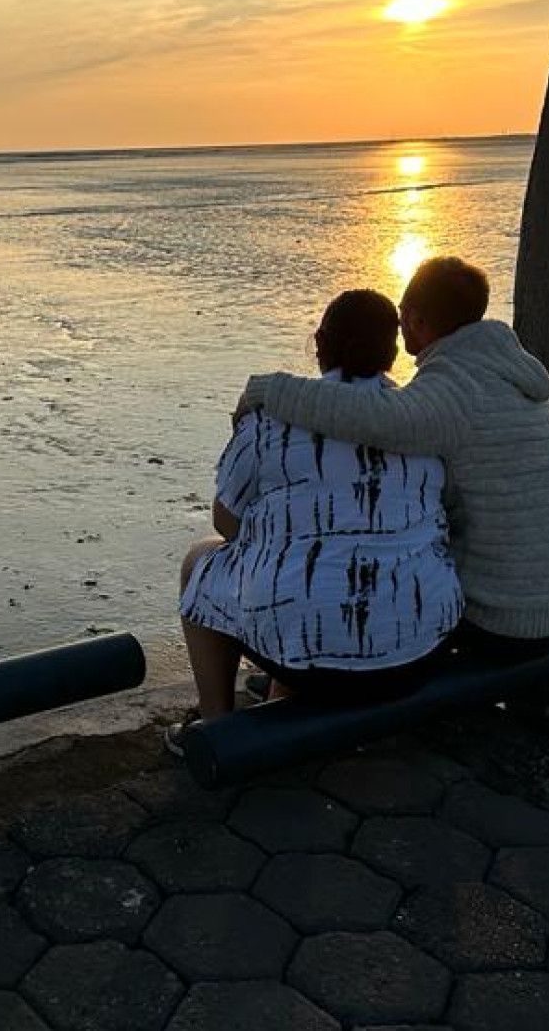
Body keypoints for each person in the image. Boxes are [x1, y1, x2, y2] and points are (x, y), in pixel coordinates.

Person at [233, 257, 549, 665]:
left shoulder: (454, 389)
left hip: (509, 620)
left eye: (405, 316)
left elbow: (370, 416)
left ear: (420, 321)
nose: (401, 325)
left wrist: (267, 390)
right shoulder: (509, 374)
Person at [169, 290, 465, 753]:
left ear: (319, 343)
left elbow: (227, 522)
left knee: (201, 563)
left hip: (315, 655)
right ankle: (279, 693)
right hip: (418, 648)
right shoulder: (419, 421)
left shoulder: (269, 422)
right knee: (323, 575)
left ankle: (215, 724)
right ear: (392, 352)